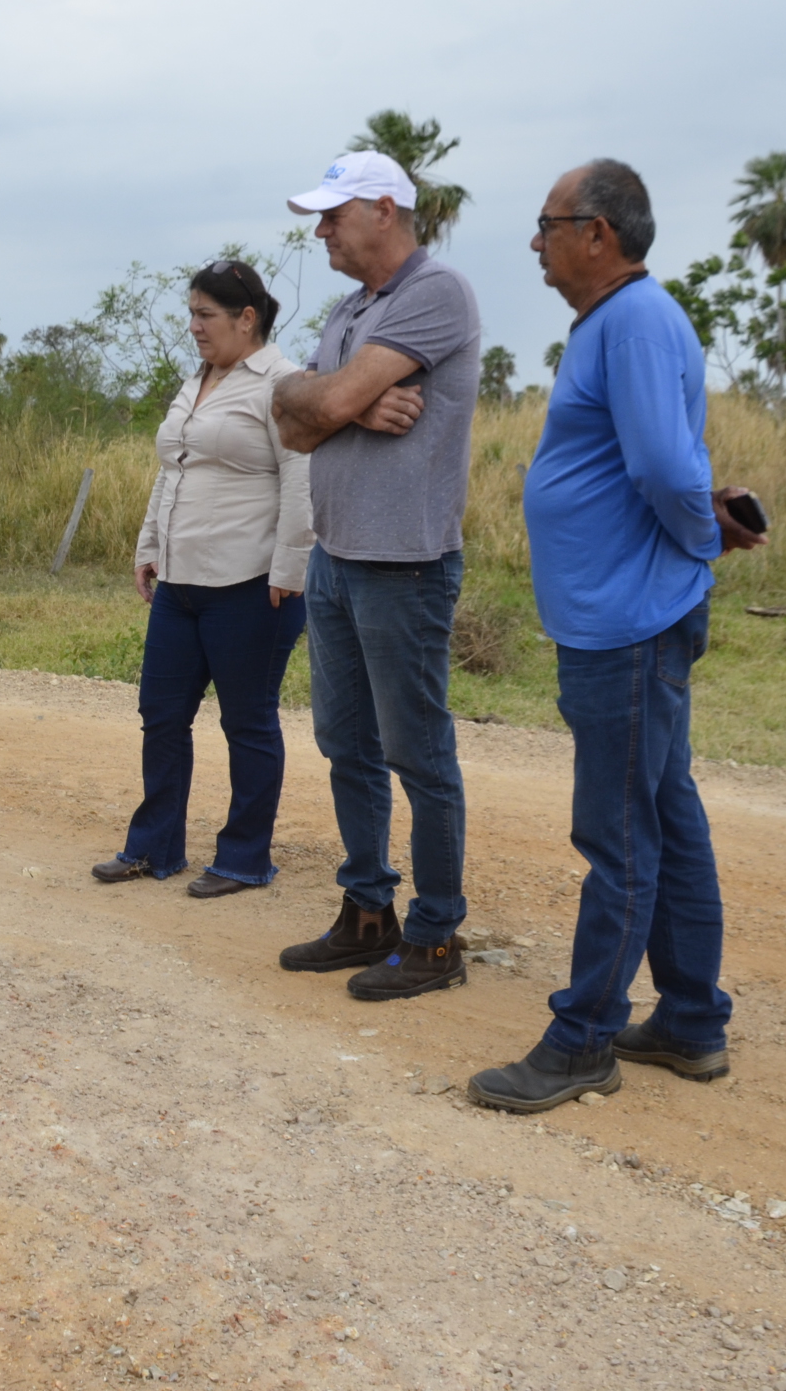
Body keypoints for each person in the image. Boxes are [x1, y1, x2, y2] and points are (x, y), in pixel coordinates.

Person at [466, 160, 767, 1113]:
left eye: (548, 225)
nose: (536, 243)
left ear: (598, 232)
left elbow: (667, 470)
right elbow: (661, 466)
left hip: (630, 622)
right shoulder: (620, 323)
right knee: (665, 815)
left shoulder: (632, 321)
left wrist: (696, 543)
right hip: (624, 615)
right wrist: (691, 540)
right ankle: (688, 1021)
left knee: (620, 833)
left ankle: (583, 1037)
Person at [270, 151, 484, 1001]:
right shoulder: (349, 311)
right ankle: (367, 912)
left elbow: (313, 410)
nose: (320, 229)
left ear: (385, 208)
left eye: (333, 214)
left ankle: (435, 935)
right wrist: (348, 398)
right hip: (338, 554)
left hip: (405, 562)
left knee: (415, 751)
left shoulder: (437, 293)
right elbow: (289, 422)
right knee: (345, 743)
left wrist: (329, 401)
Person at [92, 259, 314, 898]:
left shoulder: (283, 383)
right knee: (161, 714)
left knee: (246, 721)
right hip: (181, 582)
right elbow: (172, 468)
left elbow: (301, 480)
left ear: (248, 319)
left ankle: (244, 858)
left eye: (205, 315)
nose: (194, 327)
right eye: (191, 313)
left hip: (251, 583)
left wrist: (290, 569)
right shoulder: (197, 383)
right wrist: (149, 544)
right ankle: (153, 847)